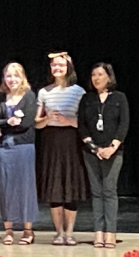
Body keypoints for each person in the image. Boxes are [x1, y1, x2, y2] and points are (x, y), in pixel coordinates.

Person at [36, 51, 87, 246]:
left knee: (70, 186)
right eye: (54, 65)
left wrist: (69, 120)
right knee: (54, 186)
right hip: (51, 142)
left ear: (68, 68)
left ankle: (70, 233)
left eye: (61, 65)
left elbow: (84, 122)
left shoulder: (79, 91)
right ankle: (58, 232)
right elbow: (36, 123)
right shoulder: (44, 92)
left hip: (71, 141)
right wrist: (47, 119)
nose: (57, 68)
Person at [78, 62, 129, 249]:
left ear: (109, 76)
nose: (96, 78)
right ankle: (98, 232)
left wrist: (111, 147)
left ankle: (111, 233)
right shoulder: (87, 99)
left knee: (109, 191)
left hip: (113, 152)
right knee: (97, 192)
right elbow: (81, 125)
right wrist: (94, 148)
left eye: (100, 74)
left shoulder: (119, 98)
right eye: (93, 75)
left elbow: (124, 124)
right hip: (91, 152)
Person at [0, 62, 39, 245]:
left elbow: (27, 122)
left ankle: (28, 230)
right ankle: (8, 230)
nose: (12, 79)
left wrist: (3, 127)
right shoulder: (0, 97)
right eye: (8, 76)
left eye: (15, 76)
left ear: (22, 78)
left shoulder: (29, 96)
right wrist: (7, 122)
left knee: (25, 187)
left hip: (24, 147)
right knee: (4, 188)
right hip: (3, 149)